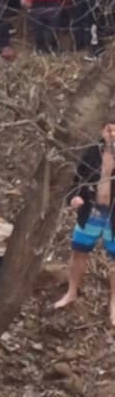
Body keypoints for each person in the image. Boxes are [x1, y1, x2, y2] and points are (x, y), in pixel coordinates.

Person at [55, 122, 115, 324]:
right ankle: (72, 292)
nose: (112, 133)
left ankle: (114, 304)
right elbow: (75, 179)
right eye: (109, 129)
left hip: (113, 215)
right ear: (102, 131)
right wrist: (73, 198)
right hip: (91, 211)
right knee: (79, 252)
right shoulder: (91, 152)